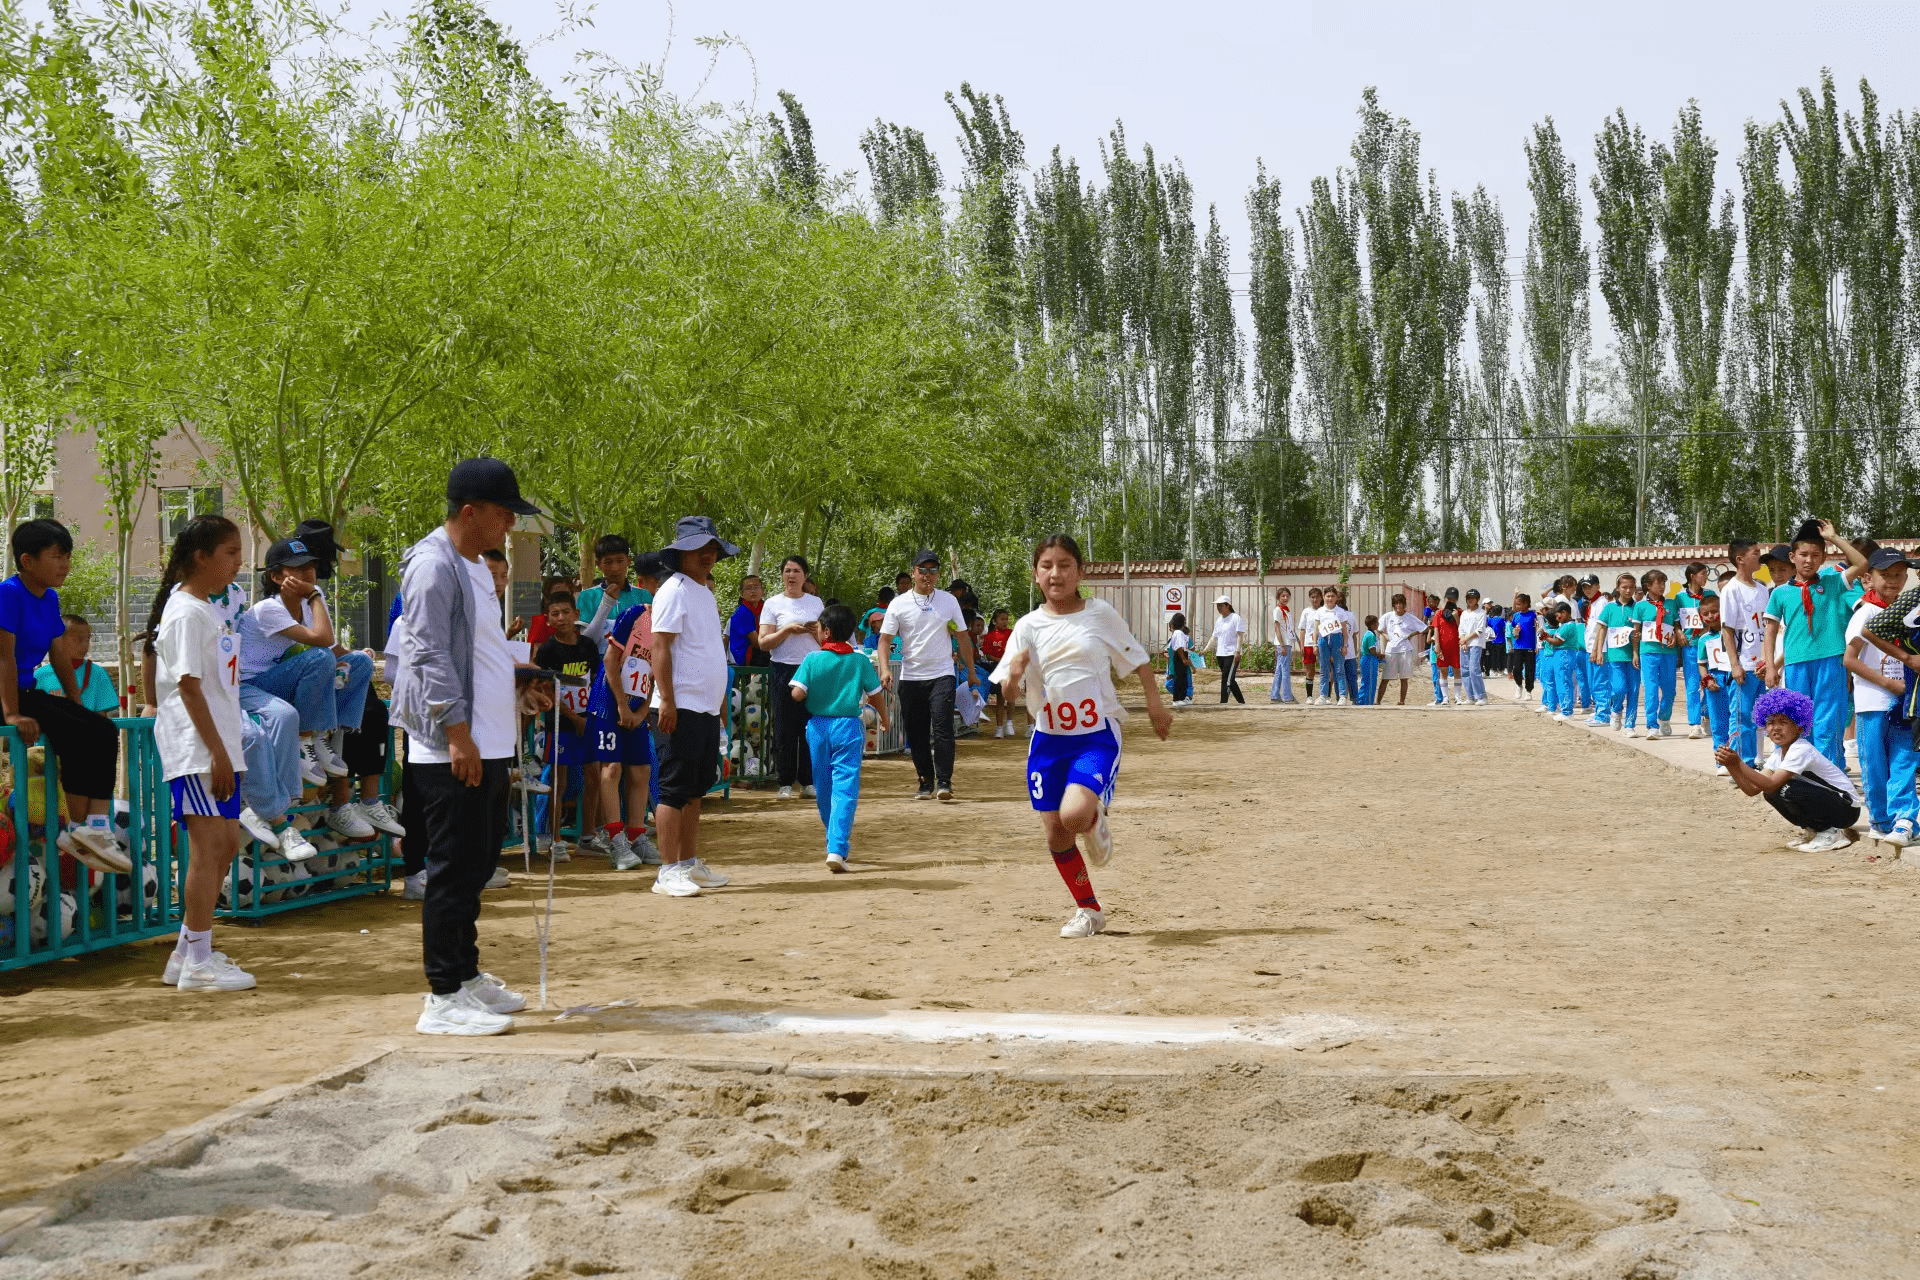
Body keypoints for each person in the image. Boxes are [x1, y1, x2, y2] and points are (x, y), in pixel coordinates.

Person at [392, 458, 539, 1036]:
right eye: (504, 514)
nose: (509, 525)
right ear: (471, 511)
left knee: (479, 862)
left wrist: (521, 686)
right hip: (451, 745)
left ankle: (468, 973)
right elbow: (426, 654)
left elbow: (480, 650)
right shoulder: (432, 566)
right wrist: (456, 733)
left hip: (490, 738)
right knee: (452, 869)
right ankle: (443, 994)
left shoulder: (476, 565)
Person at [991, 534, 1171, 940]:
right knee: (1055, 833)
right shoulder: (1026, 626)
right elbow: (1007, 693)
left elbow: (1139, 660)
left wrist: (1155, 706)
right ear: (1036, 575)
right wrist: (1015, 676)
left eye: (1065, 565)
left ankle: (1093, 820)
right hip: (1048, 740)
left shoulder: (1099, 613)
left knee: (1073, 817)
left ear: (1080, 571)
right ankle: (1089, 910)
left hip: (1095, 735)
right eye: (1047, 566)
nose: (1056, 573)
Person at [148, 515, 257, 990]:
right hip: (197, 748)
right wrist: (215, 753)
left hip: (220, 746)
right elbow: (188, 688)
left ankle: (187, 951)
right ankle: (198, 962)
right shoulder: (186, 612)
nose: (238, 562)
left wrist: (227, 750)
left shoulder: (206, 610)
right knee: (207, 849)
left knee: (227, 845)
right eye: (231, 553)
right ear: (201, 557)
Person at [0, 519, 125, 873]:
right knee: (77, 732)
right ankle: (76, 828)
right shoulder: (8, 593)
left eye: (68, 557)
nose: (66, 565)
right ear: (27, 560)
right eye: (57, 556)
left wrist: (76, 701)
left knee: (102, 729)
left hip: (26, 691)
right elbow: (3, 657)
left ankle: (96, 829)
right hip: (7, 692)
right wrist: (10, 715)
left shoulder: (50, 598)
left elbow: (58, 653)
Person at [236, 537, 378, 837]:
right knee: (318, 658)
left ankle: (327, 740)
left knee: (359, 663)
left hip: (279, 678)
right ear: (277, 577)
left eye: (311, 567)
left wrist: (356, 657)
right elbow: (322, 641)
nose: (308, 573)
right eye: (298, 568)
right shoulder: (268, 609)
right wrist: (314, 597)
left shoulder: (309, 598)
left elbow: (332, 646)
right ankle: (305, 742)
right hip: (253, 684)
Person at [648, 517, 738, 897]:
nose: (707, 555)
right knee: (673, 789)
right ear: (680, 552)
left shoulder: (703, 591)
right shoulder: (673, 590)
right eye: (699, 548)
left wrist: (718, 703)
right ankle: (667, 871)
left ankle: (687, 863)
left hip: (702, 707)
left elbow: (709, 650)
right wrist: (667, 699)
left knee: (697, 788)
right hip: (678, 705)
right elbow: (660, 646)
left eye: (712, 548)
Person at [789, 603, 890, 873]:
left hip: (818, 728)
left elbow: (797, 694)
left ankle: (832, 838)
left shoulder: (812, 659)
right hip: (847, 726)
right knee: (845, 787)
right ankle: (836, 847)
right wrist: (885, 717)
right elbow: (876, 693)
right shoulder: (859, 661)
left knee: (823, 787)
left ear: (826, 632)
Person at [1763, 519, 1868, 768]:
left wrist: (1834, 538)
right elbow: (1770, 632)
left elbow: (1863, 563)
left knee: (1828, 722)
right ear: (1792, 557)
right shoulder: (1780, 593)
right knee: (1800, 722)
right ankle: (1804, 773)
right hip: (1797, 663)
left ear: (1823, 558)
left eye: (1815, 555)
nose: (1808, 560)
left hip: (1831, 660)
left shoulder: (1833, 582)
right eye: (1803, 554)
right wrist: (1770, 666)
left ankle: (1830, 774)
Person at [585, 554, 668, 870]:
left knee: (641, 770)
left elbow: (655, 671)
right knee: (612, 769)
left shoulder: (670, 626)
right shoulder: (636, 614)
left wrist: (644, 708)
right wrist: (620, 704)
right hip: (609, 702)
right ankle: (615, 840)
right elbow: (610, 661)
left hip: (637, 706)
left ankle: (637, 837)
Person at [878, 550, 981, 801]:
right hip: (911, 676)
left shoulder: (948, 601)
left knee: (943, 727)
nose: (927, 575)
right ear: (913, 572)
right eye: (922, 570)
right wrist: (883, 669)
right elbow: (884, 640)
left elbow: (962, 636)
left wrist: (971, 672)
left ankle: (944, 781)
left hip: (942, 674)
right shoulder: (899, 604)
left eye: (933, 570)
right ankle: (925, 781)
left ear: (938, 574)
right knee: (916, 732)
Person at [1716, 688, 1861, 854]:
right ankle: (1815, 830)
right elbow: (1753, 789)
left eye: (1783, 722)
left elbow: (1770, 784)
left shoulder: (1801, 749)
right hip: (1834, 805)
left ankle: (1828, 833)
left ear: (1799, 726)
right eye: (1770, 723)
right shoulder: (1778, 754)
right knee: (1770, 793)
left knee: (1786, 789)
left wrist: (1739, 763)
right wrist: (1731, 765)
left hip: (1847, 808)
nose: (1776, 728)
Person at [1844, 548, 1916, 846]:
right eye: (1885, 575)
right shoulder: (1867, 612)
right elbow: (1850, 660)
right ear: (1868, 578)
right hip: (1873, 701)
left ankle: (1904, 820)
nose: (1893, 581)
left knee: (1904, 760)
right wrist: (1888, 683)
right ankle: (1880, 821)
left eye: (1899, 575)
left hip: (1906, 702)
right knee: (1875, 764)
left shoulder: (1908, 612)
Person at [533, 590, 599, 856]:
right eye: (555, 614)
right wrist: (573, 718)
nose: (561, 618)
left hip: (588, 722)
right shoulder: (548, 651)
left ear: (576, 614)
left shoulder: (588, 647)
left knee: (593, 777)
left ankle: (588, 835)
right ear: (548, 619)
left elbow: (595, 683)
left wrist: (589, 717)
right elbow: (547, 690)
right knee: (558, 782)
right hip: (560, 725)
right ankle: (555, 840)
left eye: (565, 612)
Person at [759, 555, 824, 800]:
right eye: (787, 570)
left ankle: (808, 781)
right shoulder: (773, 604)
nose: (791, 575)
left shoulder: (816, 603)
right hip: (782, 670)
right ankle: (785, 782)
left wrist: (811, 631)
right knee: (784, 728)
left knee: (810, 727)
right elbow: (764, 643)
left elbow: (825, 641)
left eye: (796, 571)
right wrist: (787, 630)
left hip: (811, 669)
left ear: (805, 576)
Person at [1631, 570, 1682, 740]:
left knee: (1670, 690)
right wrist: (1635, 653)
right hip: (1648, 652)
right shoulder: (1640, 606)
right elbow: (1636, 632)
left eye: (1663, 583)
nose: (1661, 586)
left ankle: (1664, 718)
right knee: (1651, 689)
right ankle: (1651, 725)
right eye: (1658, 583)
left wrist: (1675, 635)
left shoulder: (1671, 604)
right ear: (1647, 585)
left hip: (1668, 652)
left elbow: (1675, 626)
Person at [33, 615, 118, 713]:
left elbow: (102, 718)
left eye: (87, 639)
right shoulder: (40, 676)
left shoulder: (98, 674)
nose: (85, 645)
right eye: (79, 640)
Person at [1594, 574, 1640, 733]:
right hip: (1615, 656)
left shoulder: (1637, 608)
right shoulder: (1609, 608)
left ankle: (1630, 725)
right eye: (1624, 587)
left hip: (1634, 657)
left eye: (1631, 587)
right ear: (1618, 588)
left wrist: (1636, 652)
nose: (1628, 590)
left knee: (1633, 691)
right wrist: (1599, 651)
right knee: (1619, 689)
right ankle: (1616, 710)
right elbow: (1602, 630)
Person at [1674, 562, 1712, 739]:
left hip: (1710, 645)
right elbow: (1675, 621)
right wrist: (1679, 631)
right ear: (1692, 576)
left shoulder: (1710, 595)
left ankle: (1707, 715)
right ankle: (1694, 723)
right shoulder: (1680, 597)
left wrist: (1708, 628)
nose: (1705, 577)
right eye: (1703, 574)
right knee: (1692, 686)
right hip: (1689, 646)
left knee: (1711, 682)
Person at [1696, 595, 1733, 765]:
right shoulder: (1703, 639)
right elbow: (1702, 664)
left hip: (1734, 677)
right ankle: (1721, 762)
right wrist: (1707, 679)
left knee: (1737, 719)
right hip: (1715, 680)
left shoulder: (1734, 632)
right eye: (1706, 614)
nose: (1710, 616)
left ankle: (1739, 757)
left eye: (1714, 611)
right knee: (1718, 723)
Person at [1382, 594, 1424, 706]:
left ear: (1404, 604)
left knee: (1404, 677)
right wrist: (1385, 635)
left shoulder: (1410, 617)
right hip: (1391, 650)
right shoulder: (1388, 616)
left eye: (1400, 603)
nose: (1398, 606)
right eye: (1396, 603)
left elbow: (1423, 628)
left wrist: (1411, 634)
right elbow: (1379, 628)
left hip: (1405, 649)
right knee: (1385, 677)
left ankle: (1402, 701)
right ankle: (1378, 700)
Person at [980, 607, 1015, 736]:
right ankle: (999, 727)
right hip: (997, 668)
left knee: (1011, 695)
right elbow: (987, 654)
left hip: (1011, 667)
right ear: (995, 621)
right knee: (1000, 697)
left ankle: (1009, 722)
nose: (1005, 621)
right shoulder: (989, 636)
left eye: (1006, 619)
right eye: (1002, 619)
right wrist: (1000, 660)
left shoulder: (1012, 633)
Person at [1208, 594, 1248, 704]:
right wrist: (1206, 649)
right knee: (1229, 679)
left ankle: (1223, 702)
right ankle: (1241, 702)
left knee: (1226, 680)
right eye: (1217, 606)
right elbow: (1214, 637)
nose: (1219, 608)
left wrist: (1238, 651)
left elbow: (1240, 635)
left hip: (1231, 653)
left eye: (1221, 606)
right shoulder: (1219, 620)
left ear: (1228, 606)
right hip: (1220, 654)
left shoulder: (1235, 618)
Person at [1431, 588, 1462, 706]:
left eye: (1453, 598)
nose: (1451, 600)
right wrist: (1437, 645)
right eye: (1449, 598)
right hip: (1443, 646)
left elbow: (1462, 628)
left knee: (1457, 671)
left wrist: (1457, 618)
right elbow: (1436, 629)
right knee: (1443, 671)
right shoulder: (1439, 613)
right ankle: (1445, 697)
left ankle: (1458, 697)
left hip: (1456, 646)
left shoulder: (1460, 612)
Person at [728, 574, 766, 667]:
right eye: (748, 588)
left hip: (758, 650)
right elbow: (756, 641)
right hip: (743, 654)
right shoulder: (742, 612)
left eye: (756, 587)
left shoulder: (765, 608)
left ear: (763, 591)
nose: (753, 591)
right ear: (742, 593)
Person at [1458, 590, 1489, 705]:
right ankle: (1470, 696)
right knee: (1465, 670)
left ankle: (1481, 695)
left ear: (1477, 599)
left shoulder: (1481, 613)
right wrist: (1463, 640)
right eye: (1468, 597)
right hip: (1465, 644)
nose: (1470, 600)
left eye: (1473, 597)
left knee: (1473, 669)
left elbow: (1479, 630)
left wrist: (1466, 639)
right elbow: (1461, 629)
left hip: (1475, 643)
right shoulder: (1465, 613)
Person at [1268, 588, 1296, 703]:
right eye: (1283, 596)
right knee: (1285, 670)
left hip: (1287, 642)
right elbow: (1277, 628)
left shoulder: (1287, 611)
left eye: (1287, 596)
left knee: (1280, 670)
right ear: (1278, 597)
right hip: (1283, 644)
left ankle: (1275, 694)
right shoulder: (1278, 610)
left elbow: (1289, 628)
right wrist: (1282, 645)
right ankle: (1287, 696)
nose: (1285, 598)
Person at [1508, 593, 1537, 695]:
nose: (1517, 607)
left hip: (1530, 646)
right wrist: (1515, 632)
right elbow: (1513, 629)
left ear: (1526, 604)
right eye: (1516, 604)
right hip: (1518, 646)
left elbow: (1537, 629)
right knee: (1516, 669)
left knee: (1530, 670)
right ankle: (1519, 685)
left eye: (1519, 604)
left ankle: (1528, 690)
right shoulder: (1516, 616)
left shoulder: (1533, 615)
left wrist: (1537, 644)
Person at [1299, 586, 1323, 703]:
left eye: (1317, 597)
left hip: (1322, 643)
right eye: (1312, 597)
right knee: (1310, 670)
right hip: (1309, 643)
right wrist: (1301, 645)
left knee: (1325, 669)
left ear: (1321, 598)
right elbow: (1302, 629)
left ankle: (1325, 695)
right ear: (1310, 598)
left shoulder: (1324, 611)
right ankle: (1309, 696)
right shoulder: (1306, 612)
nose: (1315, 600)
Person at [1165, 612, 1194, 705]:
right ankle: (1177, 699)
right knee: (1179, 679)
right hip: (1179, 658)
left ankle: (1181, 698)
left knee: (1182, 679)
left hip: (1178, 657)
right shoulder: (1179, 633)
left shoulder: (1177, 633)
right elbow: (1179, 648)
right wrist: (1183, 659)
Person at [1357, 615, 1380, 706]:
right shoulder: (1370, 635)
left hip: (1367, 659)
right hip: (1369, 659)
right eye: (1376, 623)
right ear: (1372, 625)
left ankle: (1362, 700)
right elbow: (1372, 650)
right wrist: (1381, 655)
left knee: (1366, 680)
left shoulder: (1370, 634)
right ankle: (1366, 701)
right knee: (1369, 682)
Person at [1486, 604, 1507, 677]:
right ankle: (1501, 669)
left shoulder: (1490, 619)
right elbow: (1504, 628)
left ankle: (1494, 669)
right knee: (1501, 656)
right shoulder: (1500, 619)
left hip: (1492, 640)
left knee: (1493, 656)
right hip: (1500, 640)